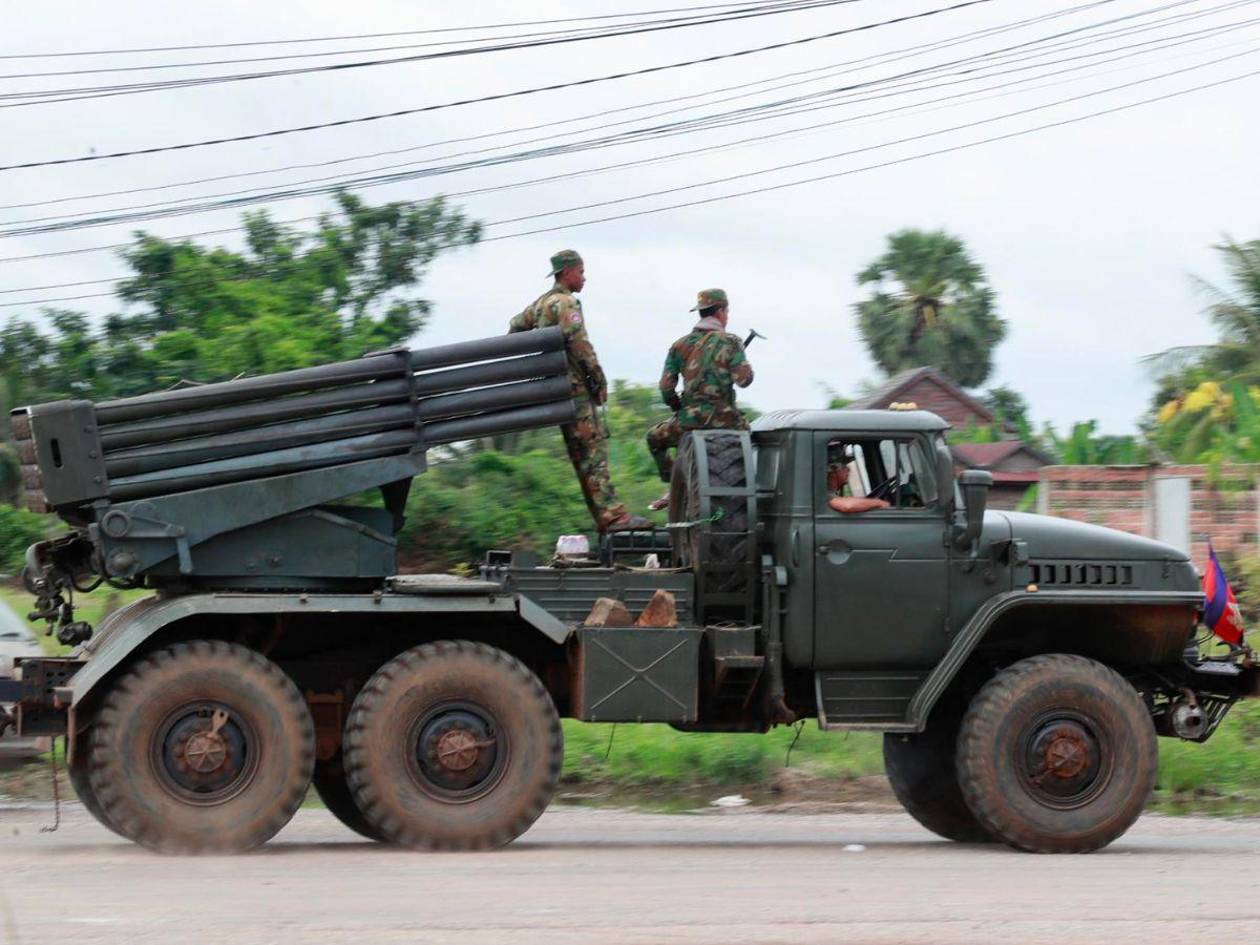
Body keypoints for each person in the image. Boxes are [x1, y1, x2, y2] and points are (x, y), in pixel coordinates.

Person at [509, 249, 649, 533]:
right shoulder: (566, 303)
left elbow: (514, 328)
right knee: (593, 452)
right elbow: (580, 346)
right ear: (568, 271)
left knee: (579, 455)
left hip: (554, 390)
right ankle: (612, 517)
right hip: (575, 391)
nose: (584, 277)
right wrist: (598, 380)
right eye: (582, 272)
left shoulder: (540, 305)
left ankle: (604, 519)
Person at [645, 288, 754, 510]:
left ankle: (675, 483)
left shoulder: (679, 345)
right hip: (728, 422)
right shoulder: (732, 342)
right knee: (753, 438)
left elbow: (666, 387)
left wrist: (679, 407)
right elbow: (744, 380)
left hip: (688, 423)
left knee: (654, 439)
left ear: (701, 313)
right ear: (721, 312)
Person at [827, 459, 891, 514]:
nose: (848, 470)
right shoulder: (824, 493)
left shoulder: (830, 493)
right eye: (844, 467)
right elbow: (848, 506)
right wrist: (879, 503)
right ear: (833, 473)